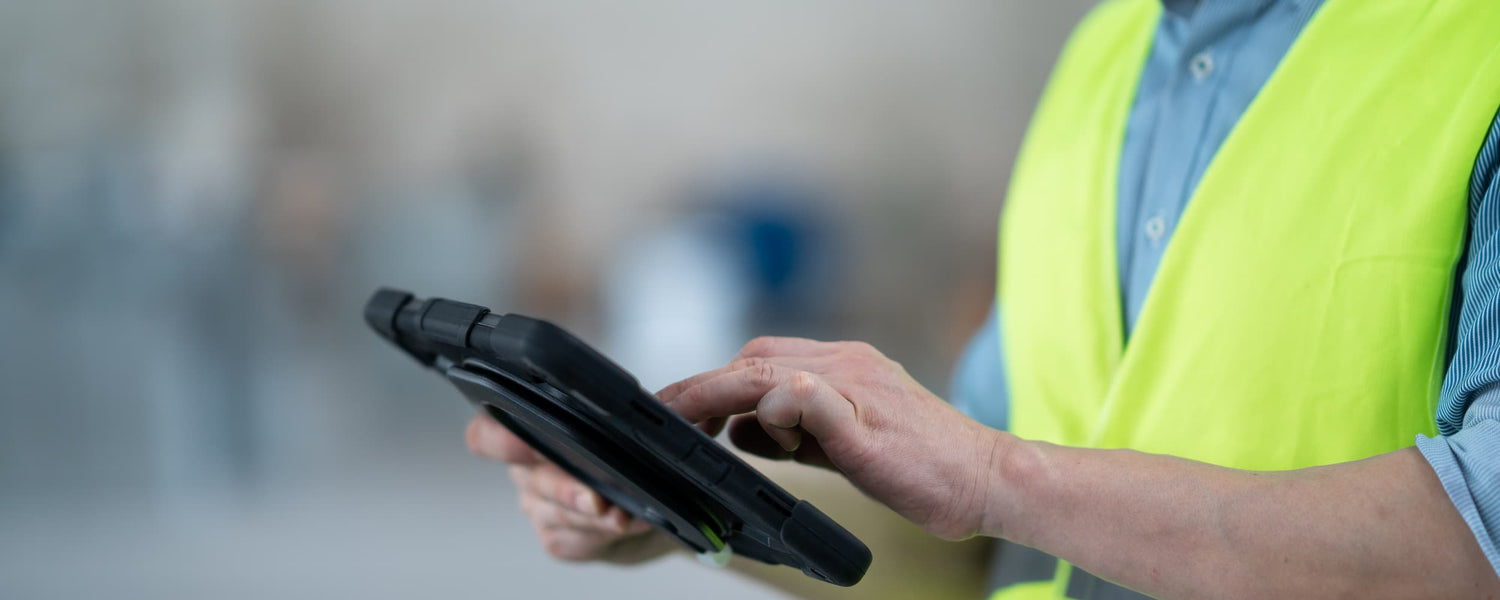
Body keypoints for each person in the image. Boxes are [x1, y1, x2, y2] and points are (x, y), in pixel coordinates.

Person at [466, 0, 1500, 597]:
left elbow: (1482, 532)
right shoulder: (1104, 54)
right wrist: (685, 498)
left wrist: (997, 473)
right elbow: (978, 543)